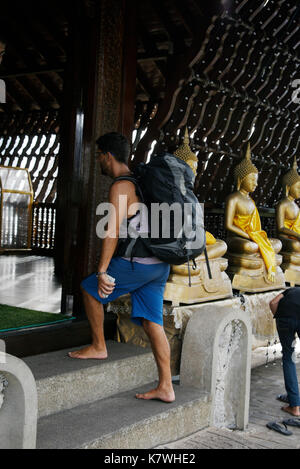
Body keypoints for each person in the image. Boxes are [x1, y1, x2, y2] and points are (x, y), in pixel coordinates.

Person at [69, 132, 175, 403]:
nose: (99, 162)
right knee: (153, 322)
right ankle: (166, 386)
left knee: (90, 289)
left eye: (98, 156)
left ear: (108, 155)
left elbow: (112, 231)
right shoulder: (142, 179)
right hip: (159, 264)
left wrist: (103, 270)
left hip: (137, 262)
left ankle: (98, 346)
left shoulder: (121, 186)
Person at [269, 288, 300, 417]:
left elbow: (272, 303)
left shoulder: (291, 291)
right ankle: (294, 399)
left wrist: (278, 317)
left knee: (288, 358)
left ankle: (294, 406)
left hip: (285, 319)